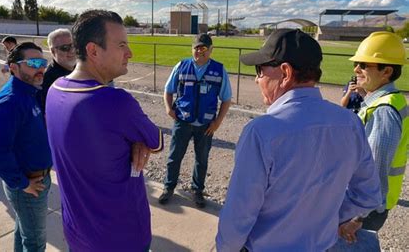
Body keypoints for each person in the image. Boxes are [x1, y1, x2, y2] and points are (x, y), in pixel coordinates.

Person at [215, 29, 382, 252]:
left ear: (285, 72)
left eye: (260, 70)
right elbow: (369, 195)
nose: (257, 79)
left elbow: (238, 216)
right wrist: (328, 216)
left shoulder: (261, 132)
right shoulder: (350, 123)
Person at [46, 10, 163, 251]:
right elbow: (157, 141)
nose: (129, 53)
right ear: (93, 51)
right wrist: (138, 141)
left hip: (77, 234)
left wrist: (131, 142)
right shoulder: (116, 101)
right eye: (121, 45)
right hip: (121, 238)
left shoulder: (55, 89)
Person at [330, 31, 408, 251]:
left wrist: (358, 217)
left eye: (364, 65)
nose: (356, 70)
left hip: (364, 211)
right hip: (367, 207)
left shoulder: (383, 110)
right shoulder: (388, 101)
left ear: (387, 71)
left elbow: (373, 170)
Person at [0, 42, 52, 252]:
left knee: (23, 231)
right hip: (29, 183)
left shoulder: (29, 92)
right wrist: (22, 183)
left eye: (43, 62)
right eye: (33, 63)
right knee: (35, 242)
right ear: (13, 67)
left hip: (35, 178)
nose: (40, 68)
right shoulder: (10, 101)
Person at [159, 33, 232, 208]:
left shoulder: (219, 70)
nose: (200, 51)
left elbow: (226, 98)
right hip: (183, 121)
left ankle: (197, 191)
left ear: (211, 50)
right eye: (197, 48)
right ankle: (169, 187)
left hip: (206, 125)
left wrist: (217, 122)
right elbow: (168, 90)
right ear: (192, 49)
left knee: (202, 159)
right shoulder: (181, 66)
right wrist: (169, 108)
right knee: (174, 157)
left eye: (204, 48)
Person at [39, 28, 75, 112]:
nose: (72, 50)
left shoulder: (80, 68)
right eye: (65, 48)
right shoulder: (48, 80)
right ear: (52, 51)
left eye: (74, 45)